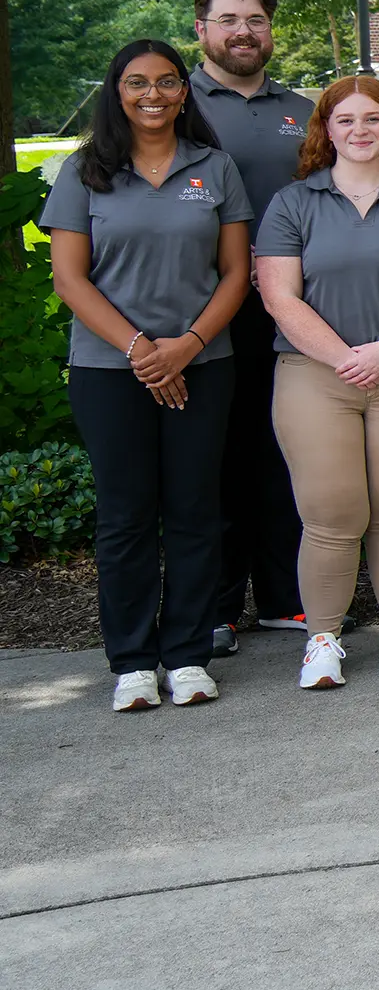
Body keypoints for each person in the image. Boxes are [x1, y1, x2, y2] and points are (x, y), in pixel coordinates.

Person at [44, 40, 253, 711]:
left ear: (184, 92)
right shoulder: (86, 172)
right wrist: (142, 349)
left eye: (167, 82)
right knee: (127, 516)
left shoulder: (213, 167)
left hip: (202, 364)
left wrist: (184, 347)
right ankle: (133, 660)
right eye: (137, 83)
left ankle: (187, 654)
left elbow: (235, 274)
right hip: (110, 371)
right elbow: (70, 281)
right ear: (117, 91)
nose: (153, 94)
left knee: (196, 511)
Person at [257, 75, 379, 688]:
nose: (359, 131)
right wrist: (347, 356)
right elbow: (279, 296)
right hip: (313, 374)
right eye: (345, 120)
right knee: (330, 513)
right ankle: (323, 639)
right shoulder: (294, 202)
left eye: (373, 119)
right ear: (326, 128)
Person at [185, 0, 314, 652]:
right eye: (228, 18)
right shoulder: (180, 106)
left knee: (284, 449)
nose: (243, 31)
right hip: (206, 310)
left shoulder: (302, 109)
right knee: (214, 456)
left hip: (293, 311)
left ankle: (287, 596)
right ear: (201, 28)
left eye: (255, 19)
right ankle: (214, 604)